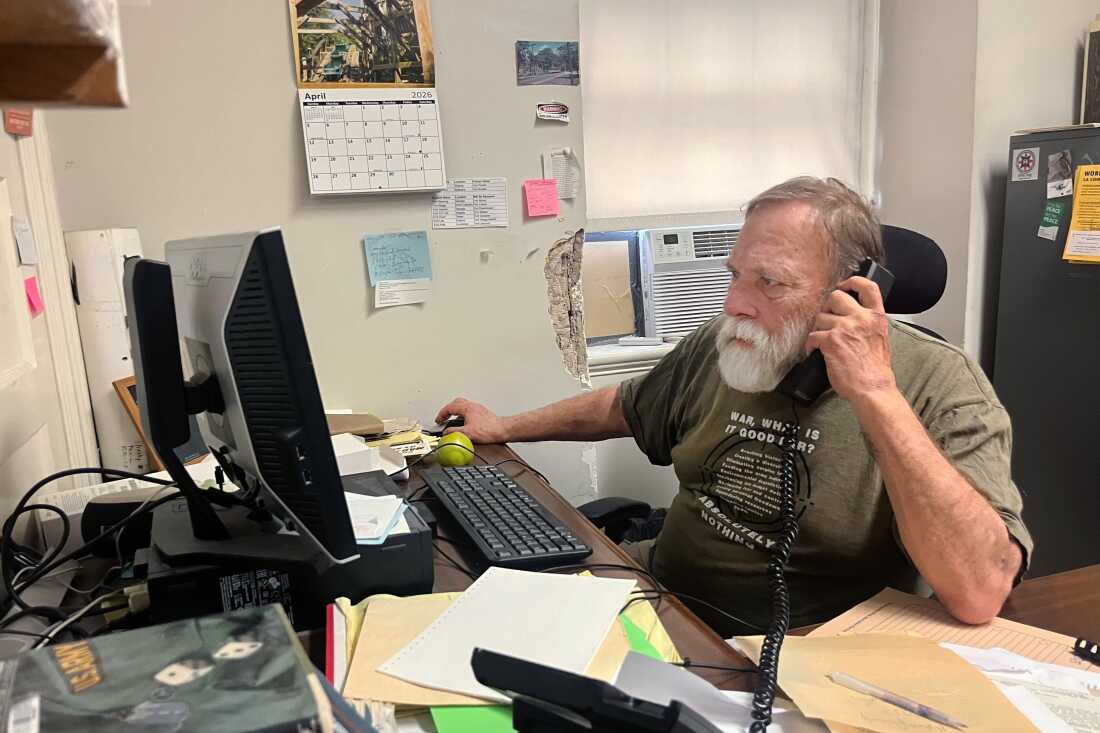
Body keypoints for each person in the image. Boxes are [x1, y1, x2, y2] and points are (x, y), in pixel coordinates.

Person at [437, 177, 1032, 637]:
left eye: (769, 282)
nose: (735, 303)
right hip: (656, 599)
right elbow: (624, 406)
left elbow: (980, 590)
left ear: (851, 292)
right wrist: (506, 426)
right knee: (463, 606)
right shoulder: (728, 342)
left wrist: (876, 395)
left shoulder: (941, 385)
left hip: (794, 653)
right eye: (735, 275)